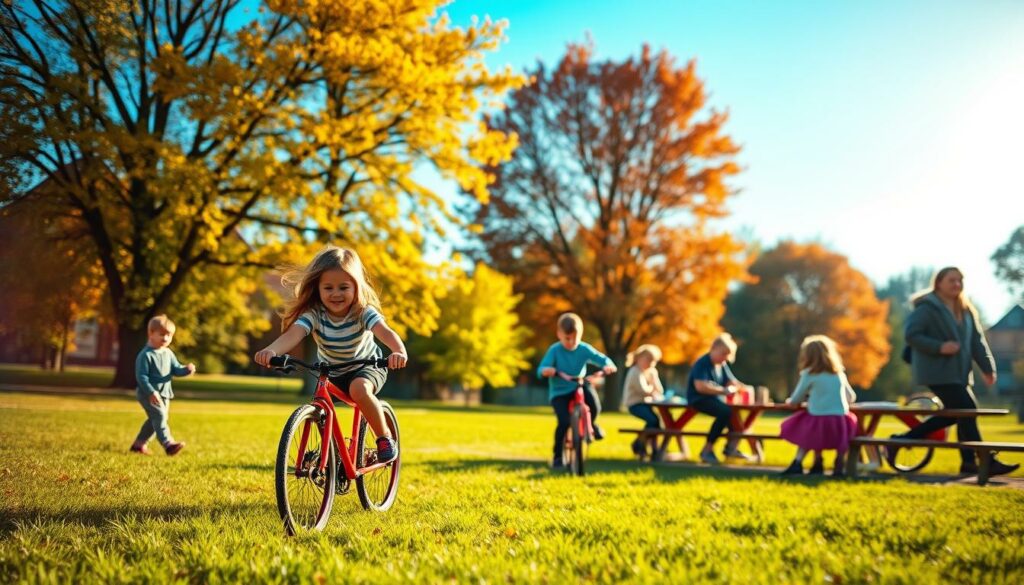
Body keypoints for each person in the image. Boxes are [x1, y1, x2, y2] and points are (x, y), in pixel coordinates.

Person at [254, 246, 408, 463]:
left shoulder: (363, 312)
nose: (336, 293)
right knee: (320, 404)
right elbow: (293, 335)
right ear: (317, 289)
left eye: (344, 287)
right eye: (328, 288)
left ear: (356, 287)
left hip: (367, 366)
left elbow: (385, 332)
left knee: (359, 389)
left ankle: (384, 438)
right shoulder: (314, 314)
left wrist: (398, 351)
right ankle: (332, 458)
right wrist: (272, 350)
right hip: (331, 370)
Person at [890, 266, 1019, 476]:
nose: (957, 284)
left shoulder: (966, 310)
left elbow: (978, 341)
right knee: (967, 410)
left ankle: (965, 462)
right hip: (936, 372)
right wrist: (939, 346)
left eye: (960, 280)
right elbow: (912, 335)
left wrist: (988, 368)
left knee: (962, 415)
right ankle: (987, 459)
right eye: (952, 280)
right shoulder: (927, 308)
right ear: (939, 282)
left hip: (960, 373)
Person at [538, 312, 617, 469]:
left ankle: (592, 424)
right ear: (559, 334)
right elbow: (541, 369)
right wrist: (547, 370)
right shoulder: (555, 350)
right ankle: (558, 457)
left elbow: (601, 358)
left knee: (594, 405)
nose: (572, 342)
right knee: (564, 422)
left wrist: (608, 365)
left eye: (576, 338)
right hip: (560, 391)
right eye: (567, 338)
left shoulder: (583, 349)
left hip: (579, 384)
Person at [778, 335, 859, 477]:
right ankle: (838, 464)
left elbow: (796, 398)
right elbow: (851, 397)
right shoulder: (839, 373)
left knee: (805, 429)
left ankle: (799, 463)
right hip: (840, 421)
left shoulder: (809, 374)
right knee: (815, 427)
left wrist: (790, 401)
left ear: (807, 355)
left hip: (819, 420)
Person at [685, 333, 755, 464]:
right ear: (714, 348)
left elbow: (732, 382)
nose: (725, 358)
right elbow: (700, 386)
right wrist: (724, 391)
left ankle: (731, 447)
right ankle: (707, 450)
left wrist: (743, 388)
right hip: (698, 399)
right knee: (725, 412)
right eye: (723, 354)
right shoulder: (702, 363)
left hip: (714, 399)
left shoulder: (722, 365)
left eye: (728, 355)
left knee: (733, 414)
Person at [130, 315, 195, 456]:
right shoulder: (145, 355)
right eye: (162, 334)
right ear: (151, 333)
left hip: (164, 393)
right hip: (148, 393)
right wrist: (150, 391)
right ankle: (168, 444)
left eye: (169, 335)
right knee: (159, 416)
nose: (166, 338)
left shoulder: (168, 353)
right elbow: (141, 377)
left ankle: (138, 445)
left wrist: (186, 370)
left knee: (156, 419)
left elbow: (176, 369)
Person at [623, 344, 666, 457]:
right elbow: (644, 390)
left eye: (653, 361)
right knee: (652, 421)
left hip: (646, 403)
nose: (650, 364)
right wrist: (652, 388)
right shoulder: (635, 371)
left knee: (657, 422)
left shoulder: (651, 372)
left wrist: (654, 378)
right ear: (639, 358)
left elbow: (660, 390)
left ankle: (649, 447)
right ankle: (641, 445)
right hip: (635, 404)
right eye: (648, 360)